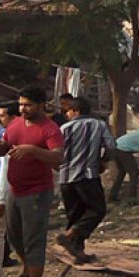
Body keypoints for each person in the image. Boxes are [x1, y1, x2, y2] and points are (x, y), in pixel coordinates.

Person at [0, 87, 64, 277]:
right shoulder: (15, 123)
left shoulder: (50, 129)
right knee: (14, 235)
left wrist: (32, 150)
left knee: (33, 237)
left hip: (36, 191)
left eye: (28, 105)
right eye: (21, 104)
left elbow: (58, 158)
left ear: (41, 105)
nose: (23, 109)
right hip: (14, 188)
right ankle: (26, 270)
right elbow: (6, 146)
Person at [56, 97, 115, 262]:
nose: (66, 115)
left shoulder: (64, 128)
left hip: (65, 177)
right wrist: (102, 162)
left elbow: (56, 151)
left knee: (75, 215)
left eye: (68, 111)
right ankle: (70, 235)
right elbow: (110, 146)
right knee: (97, 209)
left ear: (76, 111)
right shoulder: (98, 124)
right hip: (87, 175)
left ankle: (78, 253)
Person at [0, 103, 20, 277]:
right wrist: (1, 199)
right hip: (5, 190)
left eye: (2, 115)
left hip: (7, 188)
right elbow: (5, 170)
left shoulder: (11, 136)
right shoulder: (8, 135)